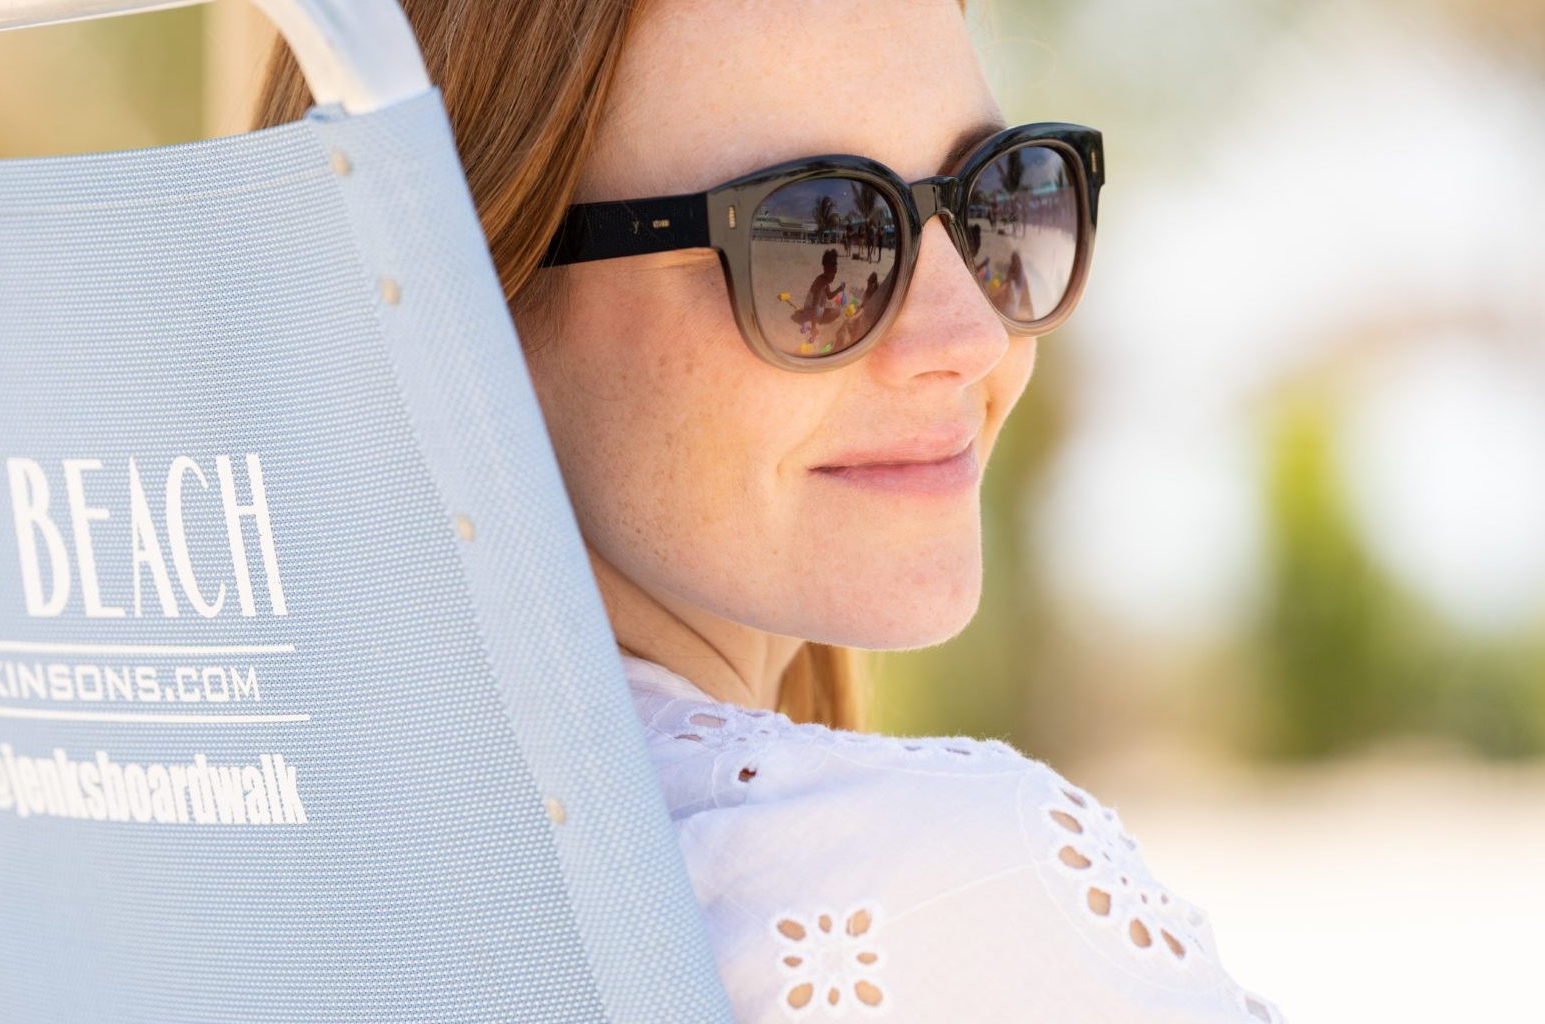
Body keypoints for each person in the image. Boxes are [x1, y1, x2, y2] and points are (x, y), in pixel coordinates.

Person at [254, 1, 1284, 1020]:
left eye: (998, 199)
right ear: (475, 303)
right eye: (811, 242)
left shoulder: (244, 859)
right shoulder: (948, 890)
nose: (967, 335)